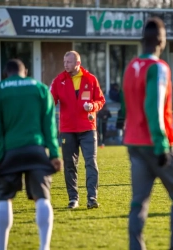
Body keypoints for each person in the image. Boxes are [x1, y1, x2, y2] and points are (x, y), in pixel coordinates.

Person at [122, 17, 173, 250]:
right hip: (155, 142)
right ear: (161, 41)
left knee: (138, 203)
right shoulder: (159, 68)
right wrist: (162, 145)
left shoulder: (131, 66)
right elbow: (155, 107)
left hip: (133, 142)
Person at [0, 59, 62, 250]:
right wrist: (55, 153)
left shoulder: (0, 90)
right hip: (36, 150)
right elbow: (49, 126)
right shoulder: (40, 89)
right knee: (42, 197)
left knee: (4, 197)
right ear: (26, 71)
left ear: (5, 73)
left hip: (10, 152)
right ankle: (44, 247)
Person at [50, 51, 105, 209]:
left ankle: (92, 198)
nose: (65, 64)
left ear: (78, 63)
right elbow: (50, 101)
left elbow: (100, 100)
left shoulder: (90, 79)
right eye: (64, 61)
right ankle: (73, 199)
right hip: (67, 130)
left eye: (68, 61)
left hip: (88, 128)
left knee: (91, 163)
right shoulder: (59, 80)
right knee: (69, 165)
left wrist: (93, 106)